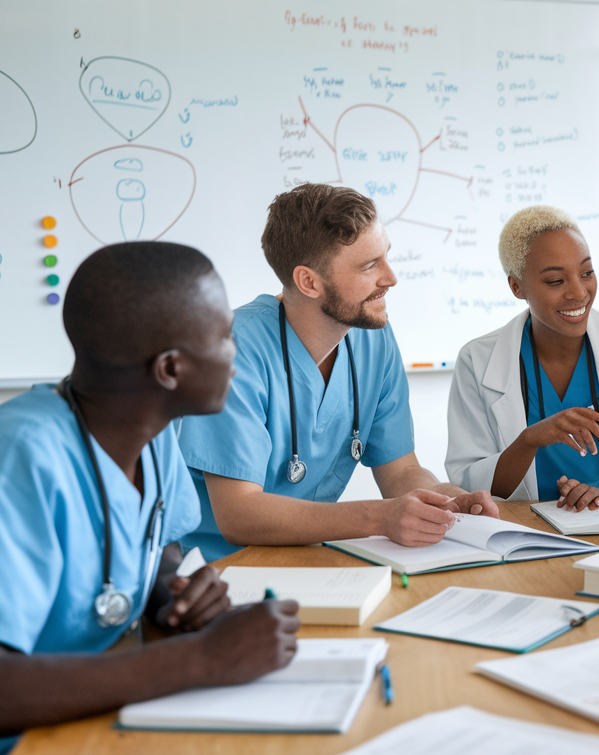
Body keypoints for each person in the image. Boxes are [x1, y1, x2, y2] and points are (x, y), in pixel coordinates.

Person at [0, 243, 300, 755]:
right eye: (225, 336)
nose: (237, 354)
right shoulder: (19, 458)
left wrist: (169, 595)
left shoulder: (152, 434)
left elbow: (159, 544)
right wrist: (202, 658)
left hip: (92, 726)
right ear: (171, 369)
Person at [177, 184, 498, 562]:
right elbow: (239, 515)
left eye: (385, 257)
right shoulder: (232, 352)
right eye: (369, 266)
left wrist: (443, 500)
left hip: (311, 560)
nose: (391, 277)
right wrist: (378, 516)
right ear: (309, 282)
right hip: (219, 574)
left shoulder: (371, 337)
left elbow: (400, 470)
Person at [447, 206, 599, 510]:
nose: (579, 293)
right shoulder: (477, 360)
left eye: (587, 272)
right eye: (555, 281)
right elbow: (472, 485)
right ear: (516, 286)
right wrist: (530, 440)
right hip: (527, 530)